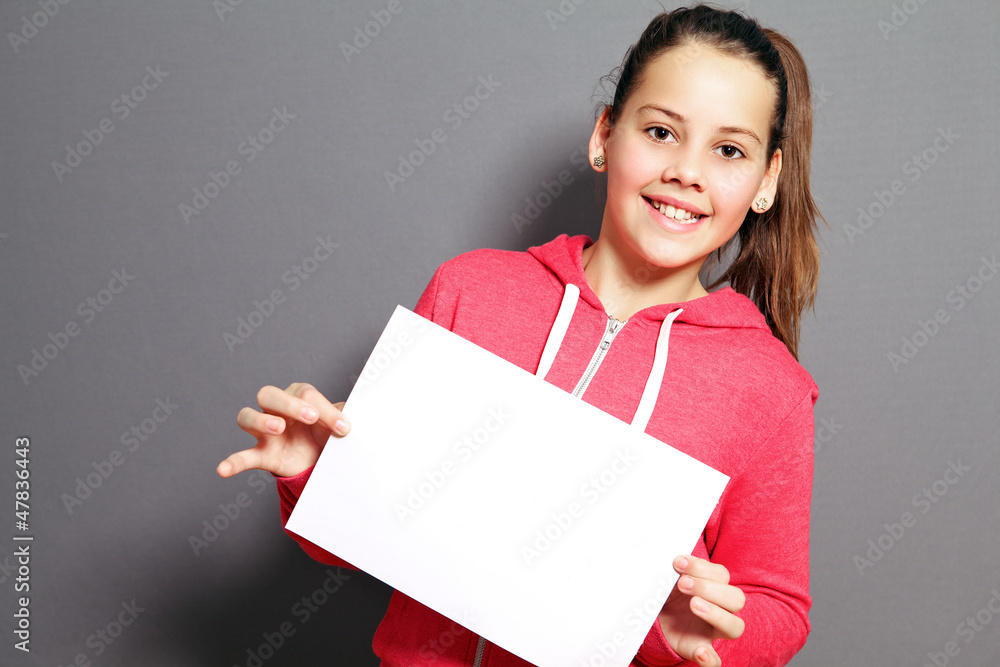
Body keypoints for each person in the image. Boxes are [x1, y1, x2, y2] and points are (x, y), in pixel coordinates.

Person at [217, 5, 823, 666]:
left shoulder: (770, 388)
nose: (687, 171)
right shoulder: (469, 290)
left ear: (766, 182)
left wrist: (692, 630)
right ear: (605, 135)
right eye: (660, 131)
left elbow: (778, 609)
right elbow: (359, 537)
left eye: (729, 149)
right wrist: (317, 474)